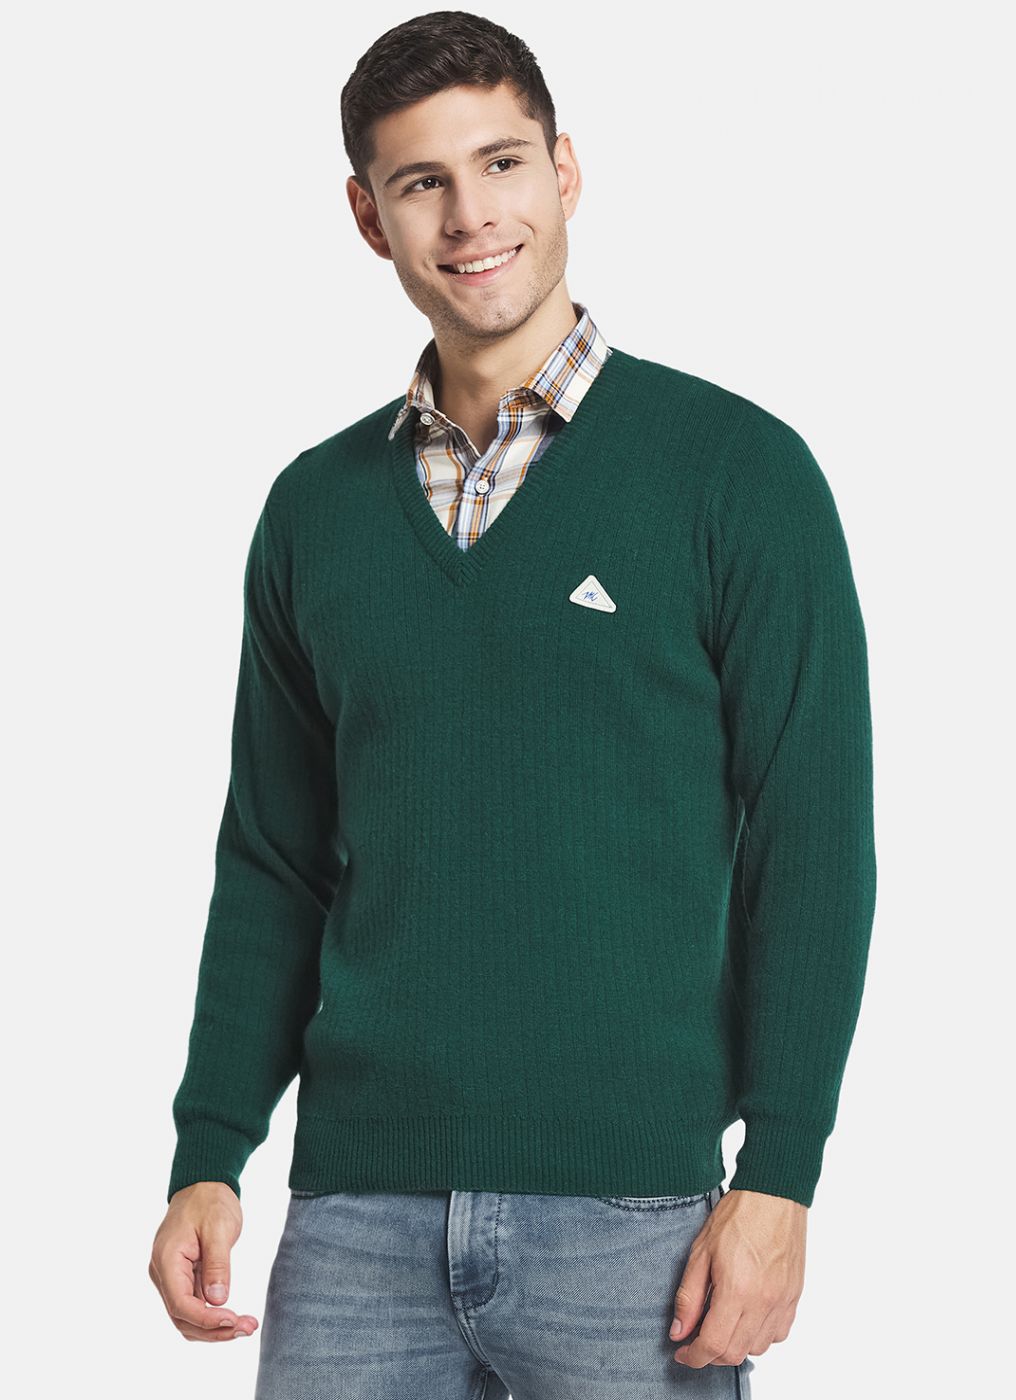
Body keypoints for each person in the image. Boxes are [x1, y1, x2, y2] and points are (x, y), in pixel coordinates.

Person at [149, 11, 876, 1397]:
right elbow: (275, 860)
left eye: (501, 163)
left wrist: (780, 1174)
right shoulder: (314, 510)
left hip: (637, 1223)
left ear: (566, 170)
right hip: (355, 1224)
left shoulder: (735, 474)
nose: (472, 216)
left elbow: (811, 841)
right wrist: (209, 1149)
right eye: (422, 181)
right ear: (368, 217)